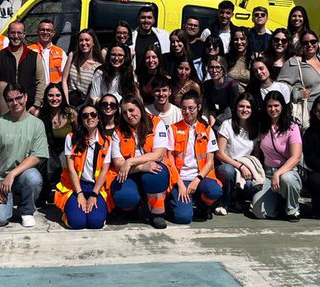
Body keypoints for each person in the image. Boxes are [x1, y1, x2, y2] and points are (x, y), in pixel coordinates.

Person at [0, 85, 49, 228]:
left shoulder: (37, 124)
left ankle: (27, 211)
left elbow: (37, 155)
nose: (15, 103)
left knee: (33, 178)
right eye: (10, 100)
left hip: (21, 177)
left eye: (18, 98)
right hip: (0, 179)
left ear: (25, 97)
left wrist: (13, 174)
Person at [109, 97, 172, 227]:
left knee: (155, 175)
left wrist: (130, 161)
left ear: (140, 108)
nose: (128, 115)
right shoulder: (118, 131)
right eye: (124, 112)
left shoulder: (156, 123)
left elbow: (158, 154)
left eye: (131, 110)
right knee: (124, 196)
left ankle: (157, 213)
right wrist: (142, 167)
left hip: (152, 167)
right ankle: (133, 209)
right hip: (130, 172)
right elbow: (119, 164)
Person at [53, 100, 114, 230]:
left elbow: (104, 171)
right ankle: (67, 214)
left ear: (98, 118)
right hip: (76, 186)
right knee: (77, 223)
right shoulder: (71, 138)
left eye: (93, 114)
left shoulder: (107, 141)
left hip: (96, 187)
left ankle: (97, 213)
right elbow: (71, 169)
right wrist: (79, 193)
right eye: (85, 116)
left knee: (95, 223)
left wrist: (94, 195)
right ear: (81, 120)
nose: (90, 118)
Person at [167, 93, 222, 223]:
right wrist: (179, 184)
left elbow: (210, 162)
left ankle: (203, 204)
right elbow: (169, 160)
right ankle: (174, 202)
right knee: (183, 218)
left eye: (191, 108)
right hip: (181, 179)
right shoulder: (173, 129)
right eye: (184, 108)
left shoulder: (207, 129)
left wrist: (197, 180)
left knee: (215, 191)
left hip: (201, 178)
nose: (187, 112)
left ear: (198, 107)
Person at [250, 90, 304, 221]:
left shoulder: (292, 127)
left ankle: (293, 209)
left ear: (282, 106)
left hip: (288, 171)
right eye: (269, 106)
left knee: (287, 179)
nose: (273, 109)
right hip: (268, 173)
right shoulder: (262, 127)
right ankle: (279, 203)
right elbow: (257, 152)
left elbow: (296, 156)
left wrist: (278, 174)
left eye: (276, 105)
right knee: (259, 212)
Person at [215, 95, 261, 214]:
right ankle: (224, 202)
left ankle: (238, 201)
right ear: (236, 108)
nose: (245, 110)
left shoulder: (255, 128)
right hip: (227, 164)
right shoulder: (227, 125)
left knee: (250, 184)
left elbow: (255, 156)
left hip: (245, 166)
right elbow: (219, 153)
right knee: (228, 171)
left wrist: (249, 168)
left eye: (248, 107)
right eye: (241, 106)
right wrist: (240, 166)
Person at [0, 20, 43, 105]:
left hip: (29, 107)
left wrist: (36, 105)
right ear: (8, 34)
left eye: (19, 33)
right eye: (12, 33)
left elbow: (41, 82)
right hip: (5, 107)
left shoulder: (34, 57)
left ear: (24, 35)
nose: (16, 36)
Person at [295, 29, 320, 122]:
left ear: (318, 43)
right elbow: (282, 85)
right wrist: (297, 94)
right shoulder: (296, 63)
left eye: (313, 41)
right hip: (308, 114)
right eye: (305, 43)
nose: (309, 44)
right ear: (301, 45)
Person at [38, 83, 76, 164]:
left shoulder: (71, 113)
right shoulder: (40, 114)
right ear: (46, 97)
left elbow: (79, 135)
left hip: (68, 155)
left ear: (62, 97)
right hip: (47, 156)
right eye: (51, 95)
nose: (54, 98)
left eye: (58, 95)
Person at [32, 19, 66, 106]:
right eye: (42, 30)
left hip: (53, 96)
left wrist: (51, 86)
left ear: (53, 33)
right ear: (37, 32)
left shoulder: (60, 52)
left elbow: (65, 75)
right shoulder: (29, 51)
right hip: (35, 94)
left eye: (48, 30)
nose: (45, 32)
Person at [66, 29, 104, 106]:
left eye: (87, 40)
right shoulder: (72, 56)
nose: (83, 43)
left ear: (93, 42)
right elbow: (64, 80)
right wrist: (67, 103)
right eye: (81, 40)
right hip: (70, 103)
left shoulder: (99, 66)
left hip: (86, 106)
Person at [202, 56, 241, 123]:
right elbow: (211, 108)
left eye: (218, 67)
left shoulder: (232, 85)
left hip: (230, 117)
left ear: (223, 69)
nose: (214, 71)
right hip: (215, 116)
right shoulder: (207, 85)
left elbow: (234, 108)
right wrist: (212, 125)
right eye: (211, 67)